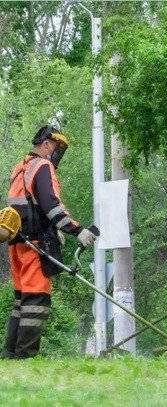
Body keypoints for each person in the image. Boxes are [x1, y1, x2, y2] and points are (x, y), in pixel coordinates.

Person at [4, 126, 100, 359]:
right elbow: (51, 205)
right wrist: (76, 230)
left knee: (21, 301)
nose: (57, 155)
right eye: (57, 148)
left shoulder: (21, 167)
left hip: (16, 243)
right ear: (46, 144)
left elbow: (28, 206)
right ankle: (25, 356)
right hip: (35, 244)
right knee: (36, 299)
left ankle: (10, 353)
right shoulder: (42, 166)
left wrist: (53, 227)